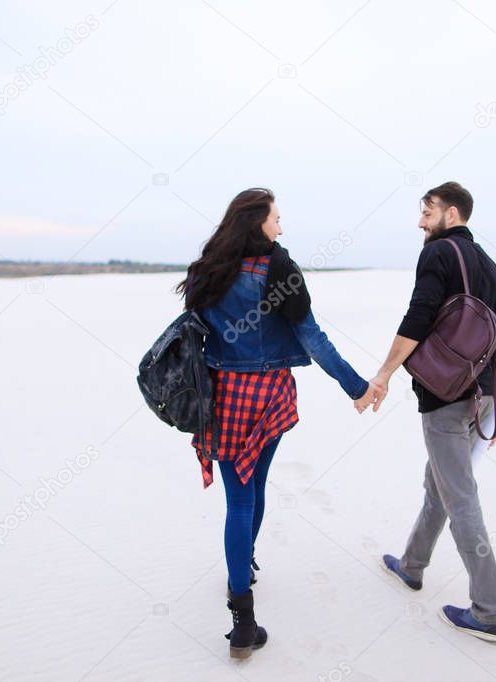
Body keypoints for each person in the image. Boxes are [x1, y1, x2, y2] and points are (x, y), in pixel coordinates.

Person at [176, 187, 382, 658]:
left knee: (239, 499)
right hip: (269, 395)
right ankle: (243, 569)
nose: (281, 228)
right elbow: (312, 337)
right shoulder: (280, 269)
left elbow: (192, 334)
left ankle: (242, 615)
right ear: (257, 223)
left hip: (224, 396)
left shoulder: (206, 271)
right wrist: (357, 386)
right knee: (257, 486)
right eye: (276, 219)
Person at [369, 181, 496, 642]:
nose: (420, 221)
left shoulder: (439, 254)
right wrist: (493, 401)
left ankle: (489, 611)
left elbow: (419, 315)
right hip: (481, 393)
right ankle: (412, 565)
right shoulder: (489, 265)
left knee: (460, 497)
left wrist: (385, 372)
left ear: (452, 213)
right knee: (442, 484)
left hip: (445, 396)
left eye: (427, 212)